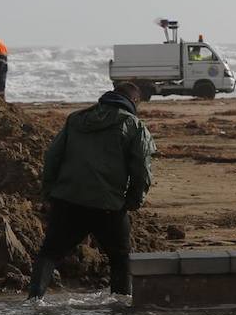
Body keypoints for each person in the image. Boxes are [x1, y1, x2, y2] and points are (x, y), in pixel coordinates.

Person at [27, 81, 153, 299]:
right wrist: (132, 202)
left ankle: (34, 301)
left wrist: (49, 192)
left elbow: (52, 157)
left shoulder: (76, 119)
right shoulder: (135, 126)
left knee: (49, 253)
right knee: (120, 258)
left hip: (68, 200)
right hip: (109, 206)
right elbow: (141, 170)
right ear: (134, 102)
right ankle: (120, 313)